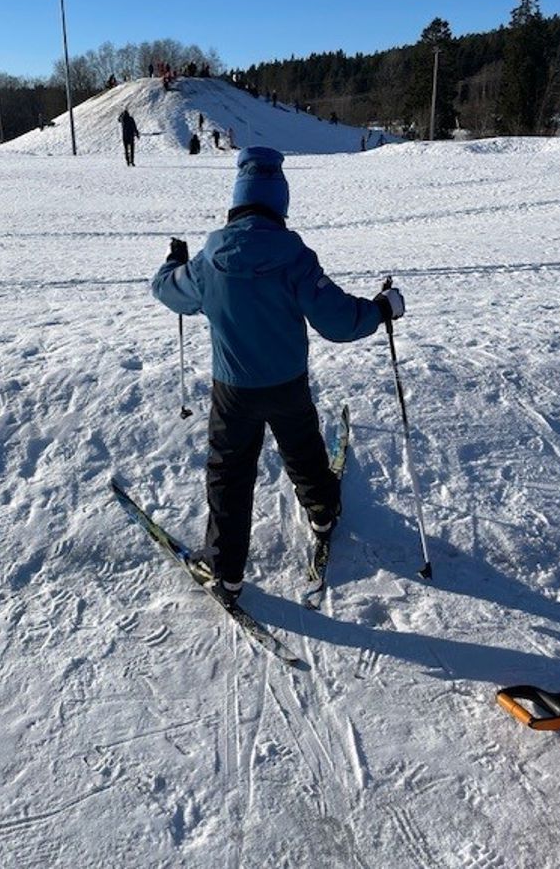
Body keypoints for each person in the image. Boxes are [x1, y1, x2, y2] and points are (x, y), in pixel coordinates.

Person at [151, 146, 405, 607]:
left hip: (232, 391)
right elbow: (339, 320)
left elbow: (167, 292)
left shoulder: (210, 259)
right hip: (287, 384)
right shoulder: (295, 256)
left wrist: (173, 262)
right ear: (279, 202)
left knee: (229, 475)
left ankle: (226, 573)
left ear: (237, 199)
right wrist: (382, 309)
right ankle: (324, 512)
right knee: (304, 449)